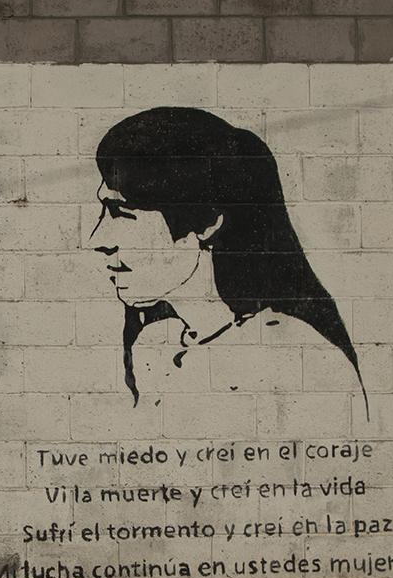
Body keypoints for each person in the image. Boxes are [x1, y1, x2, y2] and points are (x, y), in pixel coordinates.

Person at [88, 106, 362, 404]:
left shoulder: (303, 363)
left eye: (121, 213)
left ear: (208, 223)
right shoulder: (153, 346)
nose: (99, 240)